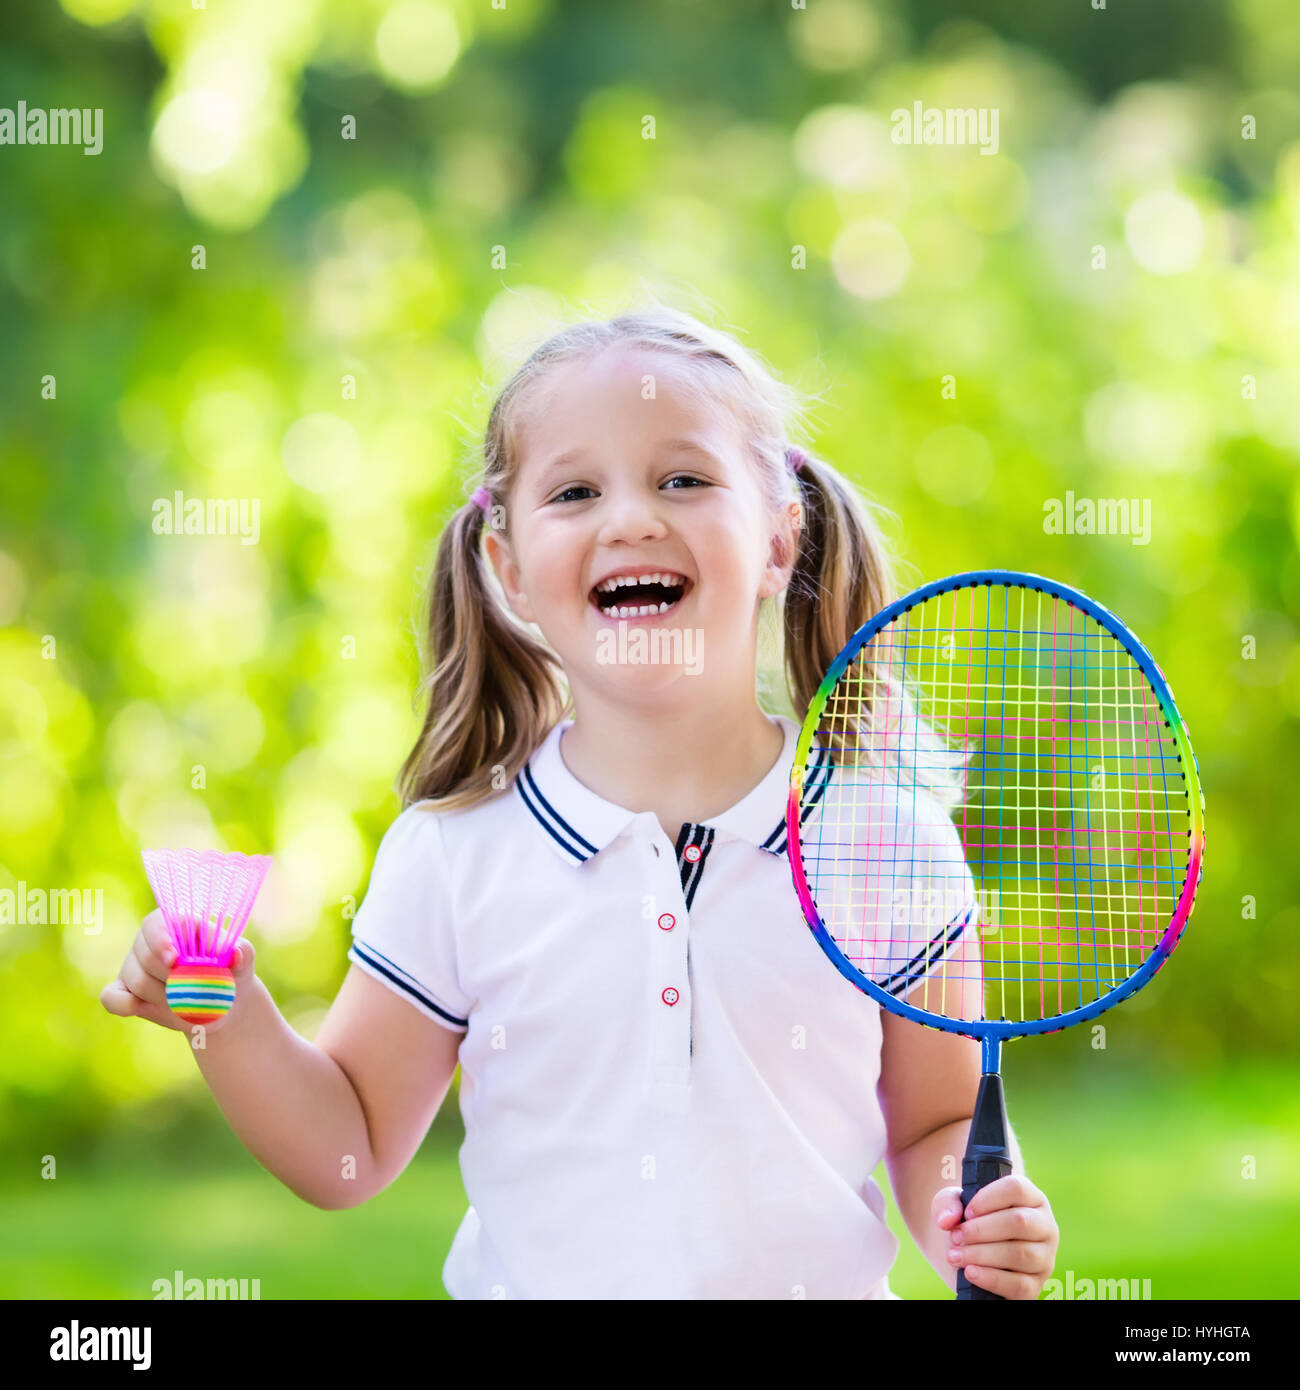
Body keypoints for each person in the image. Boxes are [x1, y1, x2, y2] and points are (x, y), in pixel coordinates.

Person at [103, 304, 1059, 1299]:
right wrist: (229, 1016)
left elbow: (932, 1122)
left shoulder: (884, 840)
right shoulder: (455, 855)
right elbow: (348, 1143)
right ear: (510, 568)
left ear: (781, 539)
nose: (631, 518)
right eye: (574, 491)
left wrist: (975, 1221)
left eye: (683, 479)